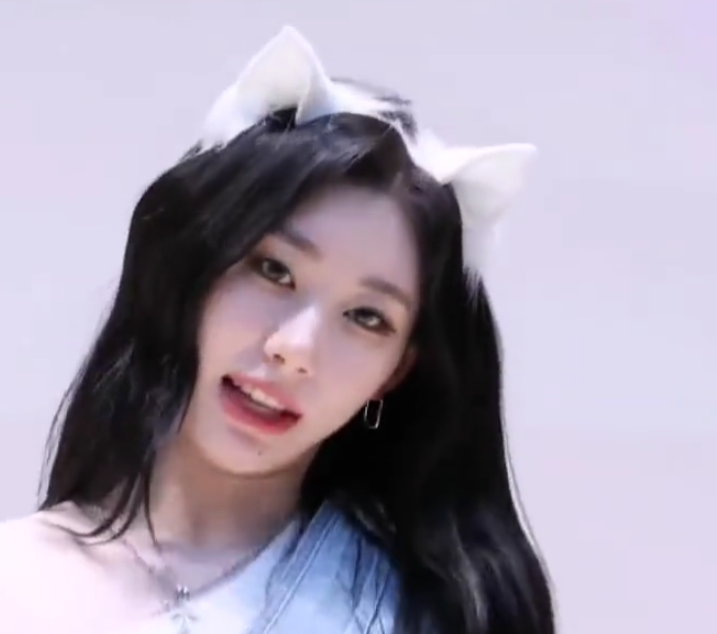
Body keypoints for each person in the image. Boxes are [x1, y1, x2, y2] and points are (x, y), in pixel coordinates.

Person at [0, 26, 554, 634]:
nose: (295, 348)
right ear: (193, 267)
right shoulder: (16, 577)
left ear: (395, 371)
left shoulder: (432, 613)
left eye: (367, 317)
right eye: (274, 271)